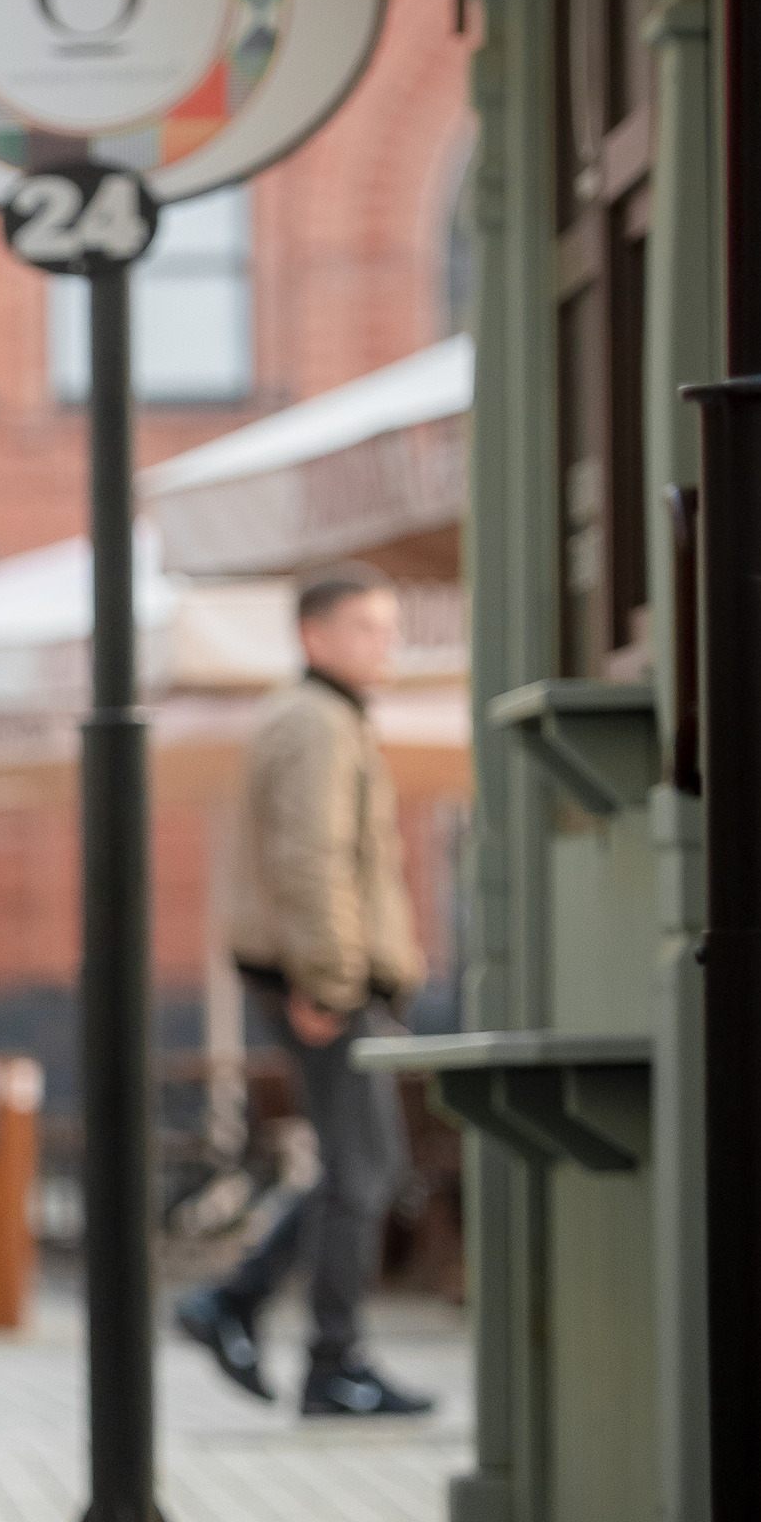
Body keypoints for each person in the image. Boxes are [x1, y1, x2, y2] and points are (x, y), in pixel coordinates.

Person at [177, 563, 435, 1419]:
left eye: (389, 627)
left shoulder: (328, 718)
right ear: (314, 636)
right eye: (368, 627)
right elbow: (309, 860)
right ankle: (332, 1362)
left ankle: (240, 1304)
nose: (385, 642)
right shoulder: (319, 723)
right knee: (361, 1169)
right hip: (323, 980)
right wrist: (329, 980)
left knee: (363, 1165)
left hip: (326, 975)